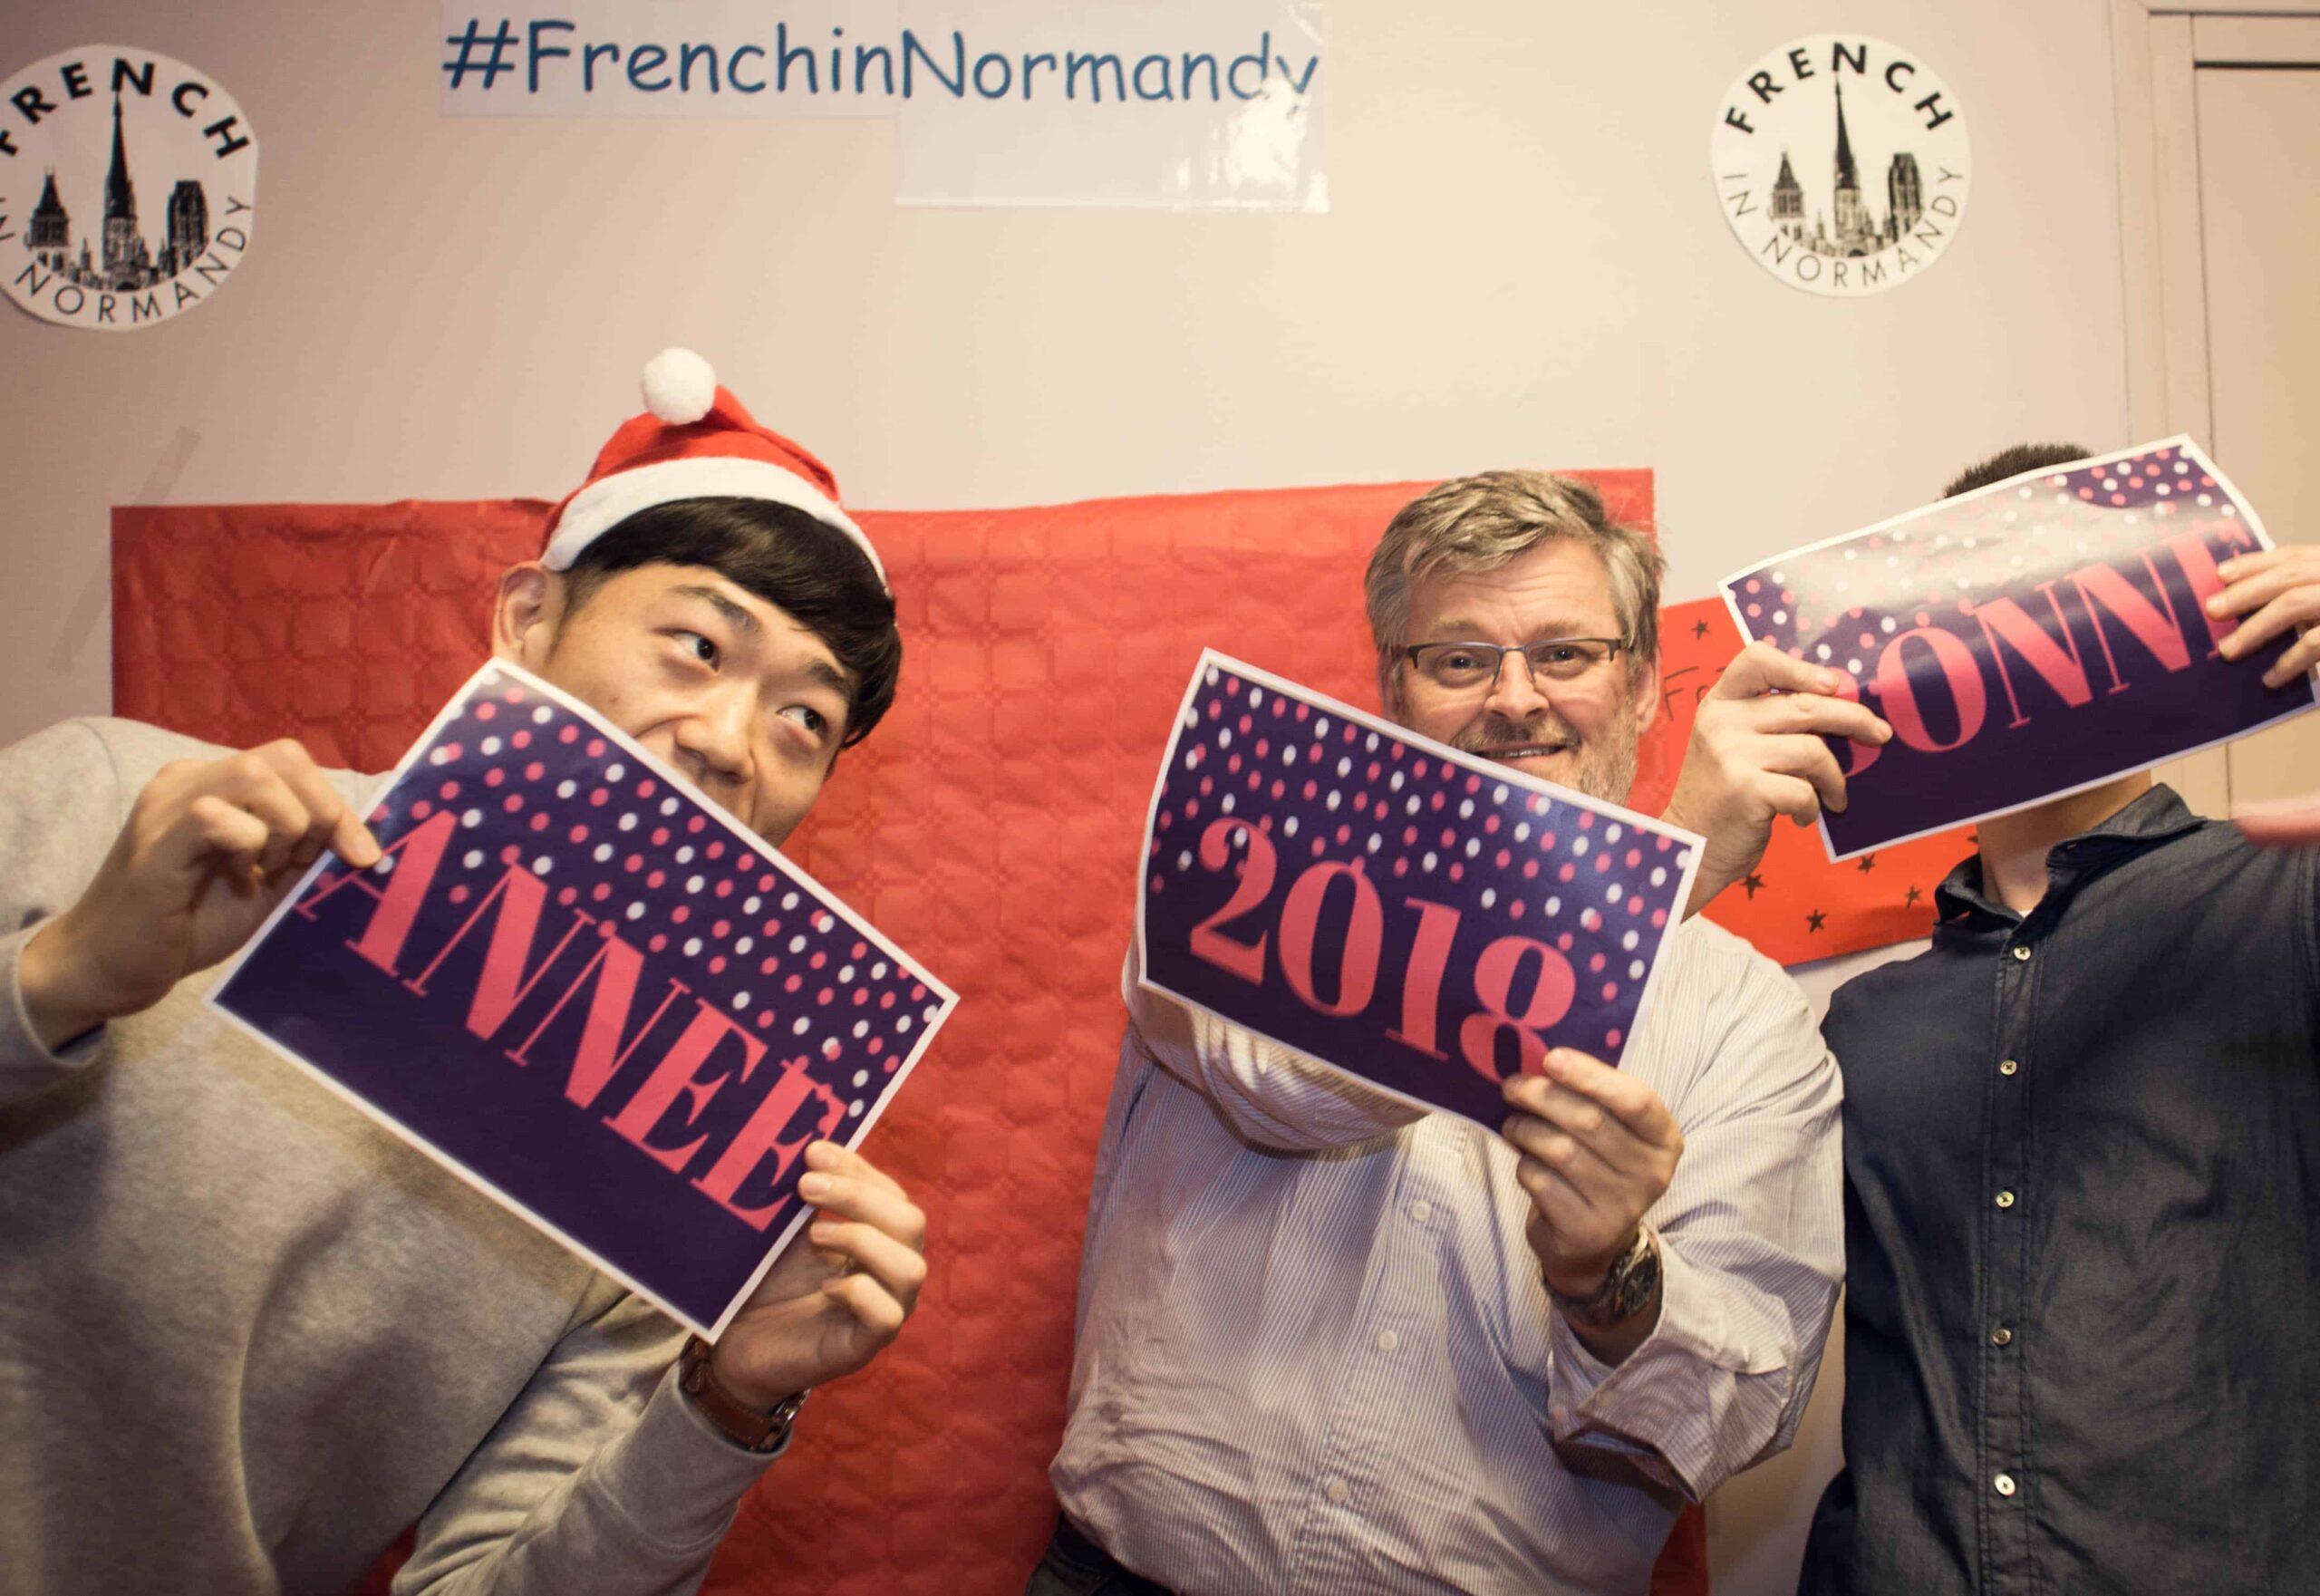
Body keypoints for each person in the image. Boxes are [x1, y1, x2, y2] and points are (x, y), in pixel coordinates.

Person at [0, 351, 930, 1594]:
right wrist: (59, 975)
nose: (728, 744)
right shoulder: (122, 800)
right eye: (698, 644)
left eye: (804, 719)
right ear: (527, 618)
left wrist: (723, 1402)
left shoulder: (676, 1165)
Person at [1034, 469, 1885, 1594]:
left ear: (1641, 688)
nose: (1515, 700)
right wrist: (1662, 875)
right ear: (1393, 689)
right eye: (1459, 660)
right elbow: (1280, 1089)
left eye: (1566, 654)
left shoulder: (1752, 1026)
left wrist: (1606, 1275)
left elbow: (1734, 1415)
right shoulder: (1249, 859)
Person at [1795, 444, 2320, 1594]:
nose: (2015, 632)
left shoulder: (2286, 903)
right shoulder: (1858, 1027)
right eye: (1968, 601)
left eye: (2054, 591)